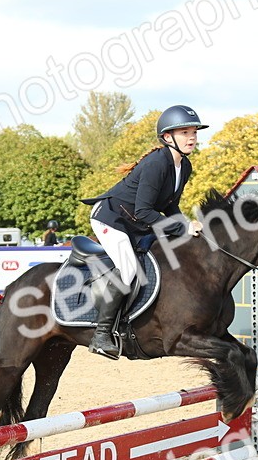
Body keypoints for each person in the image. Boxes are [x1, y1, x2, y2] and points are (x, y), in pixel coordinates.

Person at [81, 104, 207, 359]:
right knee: (128, 269)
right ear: (167, 137)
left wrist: (187, 226)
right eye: (185, 132)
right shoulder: (156, 164)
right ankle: (102, 334)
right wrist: (183, 226)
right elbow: (144, 211)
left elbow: (170, 205)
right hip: (111, 219)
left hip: (135, 222)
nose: (192, 137)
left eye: (194, 131)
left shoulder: (185, 166)